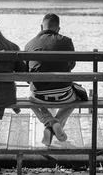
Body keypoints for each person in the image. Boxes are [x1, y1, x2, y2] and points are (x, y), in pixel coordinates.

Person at [24, 13, 77, 146]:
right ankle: (56, 123)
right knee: (80, 97)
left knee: (29, 97)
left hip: (39, 97)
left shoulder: (29, 45)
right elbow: (72, 65)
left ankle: (49, 124)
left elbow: (27, 77)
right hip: (64, 95)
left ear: (41, 27)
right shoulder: (67, 41)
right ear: (58, 29)